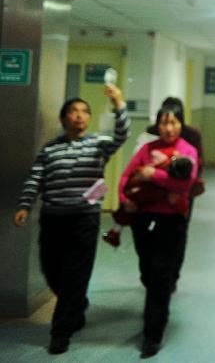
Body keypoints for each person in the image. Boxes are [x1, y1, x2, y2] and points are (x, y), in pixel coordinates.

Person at [13, 86, 130, 355]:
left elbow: (122, 135)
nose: (79, 115)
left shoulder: (98, 145)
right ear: (63, 118)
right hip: (53, 218)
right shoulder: (49, 150)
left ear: (88, 119)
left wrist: (118, 103)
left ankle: (60, 333)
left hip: (83, 219)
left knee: (75, 276)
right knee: (52, 270)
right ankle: (76, 306)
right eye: (73, 111)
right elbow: (35, 179)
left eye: (84, 111)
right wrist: (24, 206)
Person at [119, 105, 198, 357]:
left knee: (161, 276)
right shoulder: (147, 148)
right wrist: (125, 199)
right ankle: (153, 307)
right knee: (147, 270)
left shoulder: (187, 151)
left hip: (171, 221)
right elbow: (126, 177)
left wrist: (151, 173)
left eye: (173, 123)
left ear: (181, 125)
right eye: (164, 123)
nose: (168, 128)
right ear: (158, 125)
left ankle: (152, 335)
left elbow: (186, 181)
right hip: (143, 217)